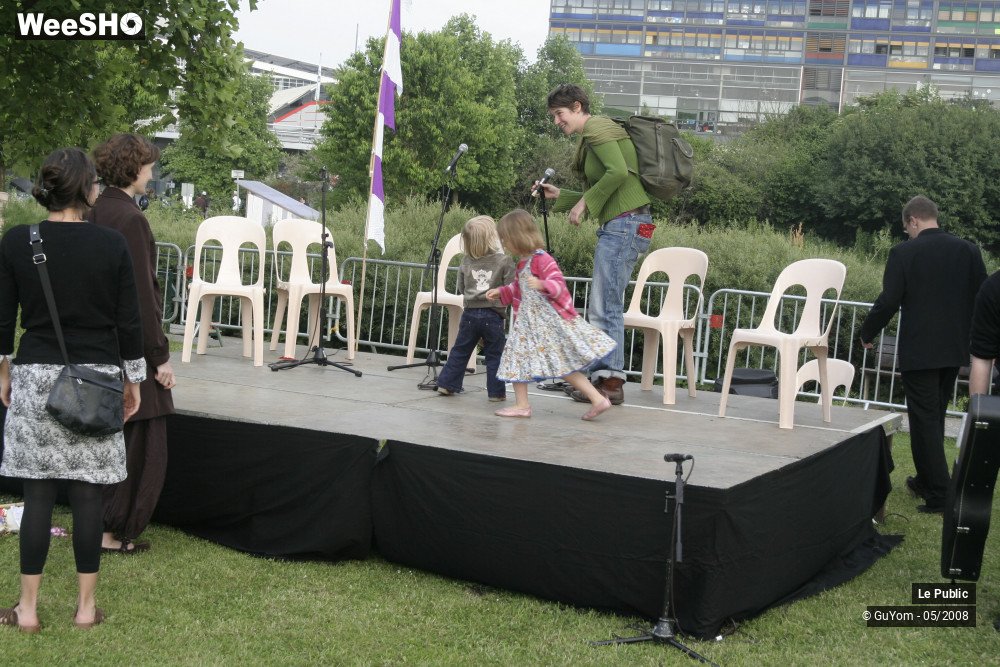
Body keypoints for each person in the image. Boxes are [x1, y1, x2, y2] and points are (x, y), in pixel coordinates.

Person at [0, 148, 145, 632]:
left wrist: (4, 371)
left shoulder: (18, 241)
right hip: (98, 382)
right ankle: (85, 610)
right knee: (87, 498)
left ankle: (28, 611)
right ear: (87, 190)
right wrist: (134, 380)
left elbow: (3, 319)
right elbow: (129, 320)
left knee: (37, 498)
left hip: (37, 377)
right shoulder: (110, 243)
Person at [859, 195, 986, 514]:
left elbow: (889, 300)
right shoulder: (968, 250)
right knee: (934, 416)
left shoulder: (904, 252)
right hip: (955, 348)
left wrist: (867, 332)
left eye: (907, 228)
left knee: (924, 419)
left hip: (920, 348)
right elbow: (982, 295)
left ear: (913, 220)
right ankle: (926, 481)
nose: (907, 233)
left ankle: (941, 493)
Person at [536, 83, 653, 407]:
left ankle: (610, 382)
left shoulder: (599, 127)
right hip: (625, 223)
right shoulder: (595, 135)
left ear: (577, 107)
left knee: (606, 306)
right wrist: (564, 197)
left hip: (625, 225)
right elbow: (613, 183)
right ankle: (601, 379)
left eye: (560, 114)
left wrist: (584, 203)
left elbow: (616, 173)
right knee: (605, 304)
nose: (557, 122)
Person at [90, 134, 176, 555]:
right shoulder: (129, 219)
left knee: (109, 439)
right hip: (129, 349)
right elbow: (141, 295)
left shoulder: (93, 211)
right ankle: (113, 531)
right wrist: (158, 357)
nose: (152, 172)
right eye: (148, 164)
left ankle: (103, 526)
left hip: (97, 345)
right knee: (142, 442)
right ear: (133, 167)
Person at [486, 209, 616, 421]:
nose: (505, 244)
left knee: (543, 361)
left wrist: (542, 284)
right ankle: (596, 399)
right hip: (529, 325)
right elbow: (519, 290)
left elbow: (558, 284)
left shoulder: (542, 260)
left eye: (506, 239)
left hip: (544, 324)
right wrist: (502, 291)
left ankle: (523, 405)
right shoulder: (522, 263)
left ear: (519, 236)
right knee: (521, 359)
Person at [436, 216, 515, 401]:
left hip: (470, 313)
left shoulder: (466, 261)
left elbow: (461, 288)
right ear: (491, 238)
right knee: (494, 355)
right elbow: (511, 287)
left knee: (460, 350)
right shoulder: (504, 261)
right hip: (494, 315)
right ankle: (496, 393)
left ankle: (446, 384)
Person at [969, 270, 1000, 396]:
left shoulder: (993, 288)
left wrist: (978, 413)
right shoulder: (993, 288)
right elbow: (982, 359)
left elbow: (982, 360)